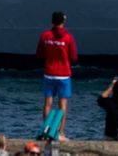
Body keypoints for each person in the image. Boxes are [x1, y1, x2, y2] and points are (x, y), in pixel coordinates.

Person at [36, 10, 77, 141]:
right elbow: (74, 57)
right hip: (64, 75)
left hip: (49, 73)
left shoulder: (45, 35)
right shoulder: (68, 37)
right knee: (62, 106)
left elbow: (39, 54)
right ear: (63, 22)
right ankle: (61, 133)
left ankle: (46, 131)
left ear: (52, 21)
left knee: (48, 103)